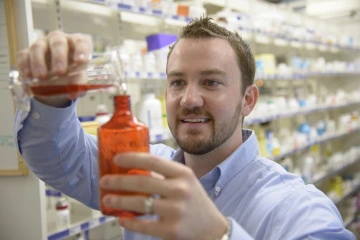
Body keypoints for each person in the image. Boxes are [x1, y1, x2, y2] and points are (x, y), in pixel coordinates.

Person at [14, 17, 355, 240]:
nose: (189, 99)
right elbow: (57, 157)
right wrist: (53, 100)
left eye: (211, 82)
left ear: (248, 100)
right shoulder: (142, 172)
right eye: (178, 82)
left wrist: (219, 235)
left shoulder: (295, 207)